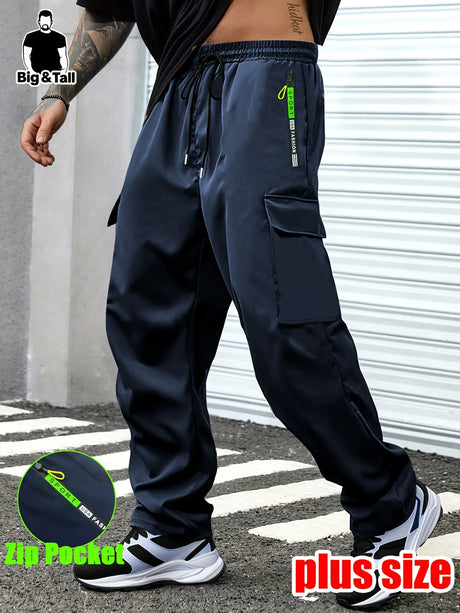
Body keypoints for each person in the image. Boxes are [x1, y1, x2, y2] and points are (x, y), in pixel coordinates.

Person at [20, 1, 443, 608]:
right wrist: (56, 92)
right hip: (177, 90)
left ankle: (390, 502)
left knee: (285, 316)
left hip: (269, 78)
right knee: (147, 318)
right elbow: (107, 11)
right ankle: (173, 529)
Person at [22, 9, 68, 74]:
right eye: (43, 21)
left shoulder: (60, 38)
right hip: (36, 73)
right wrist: (31, 71)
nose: (45, 23)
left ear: (51, 22)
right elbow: (26, 56)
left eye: (47, 21)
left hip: (55, 74)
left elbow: (63, 56)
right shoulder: (30, 37)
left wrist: (63, 73)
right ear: (39, 22)